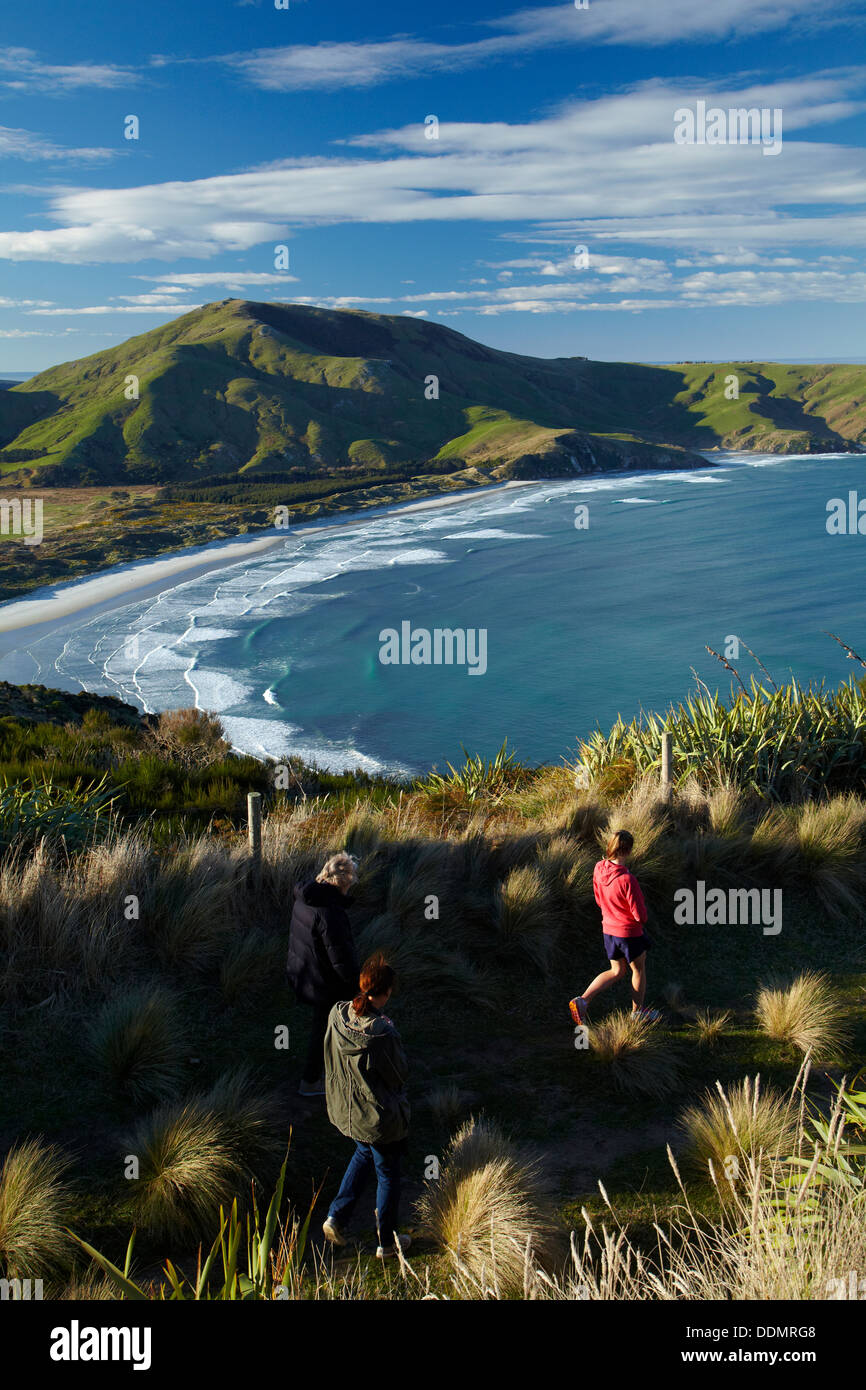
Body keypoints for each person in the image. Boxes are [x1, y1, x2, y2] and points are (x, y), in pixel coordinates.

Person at [321, 953, 411, 1259]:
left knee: (362, 1153)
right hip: (377, 1116)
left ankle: (336, 1217)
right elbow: (399, 1074)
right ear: (384, 994)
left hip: (351, 1111)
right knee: (388, 1173)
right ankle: (387, 1243)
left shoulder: (338, 1014)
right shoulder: (382, 1033)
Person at [569, 828, 661, 1026]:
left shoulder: (598, 868)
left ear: (610, 846)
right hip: (629, 933)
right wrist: (641, 918)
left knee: (616, 971)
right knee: (638, 969)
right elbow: (640, 915)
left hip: (609, 931)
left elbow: (599, 899)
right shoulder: (628, 880)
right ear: (627, 851)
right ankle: (638, 1012)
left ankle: (582, 1000)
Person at [286, 851, 360, 1097]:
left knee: (324, 1025)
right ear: (343, 883)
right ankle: (311, 1081)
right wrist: (357, 985)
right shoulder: (330, 912)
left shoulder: (306, 898)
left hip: (303, 974)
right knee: (326, 1028)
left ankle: (327, 1072)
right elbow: (340, 958)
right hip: (322, 982)